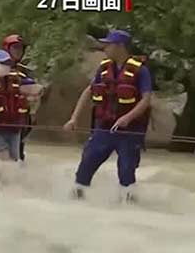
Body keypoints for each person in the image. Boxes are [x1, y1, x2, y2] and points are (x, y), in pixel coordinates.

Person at [63, 30, 153, 203]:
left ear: (120, 46)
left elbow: (146, 99)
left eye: (108, 44)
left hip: (129, 131)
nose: (105, 47)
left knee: (126, 170)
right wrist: (74, 118)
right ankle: (76, 200)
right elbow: (88, 92)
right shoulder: (104, 68)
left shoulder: (141, 71)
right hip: (104, 127)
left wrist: (128, 117)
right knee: (86, 164)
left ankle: (129, 206)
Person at [3, 34, 39, 162]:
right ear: (7, 49)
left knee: (18, 155)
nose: (18, 51)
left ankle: (17, 178)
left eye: (20, 48)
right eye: (15, 48)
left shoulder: (25, 72)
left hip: (20, 119)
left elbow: (35, 91)